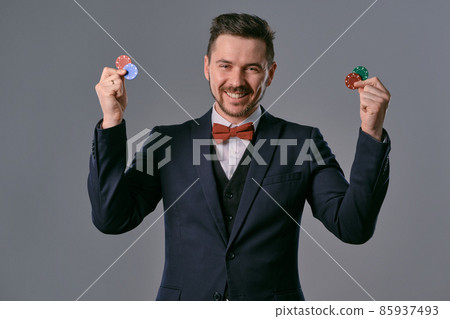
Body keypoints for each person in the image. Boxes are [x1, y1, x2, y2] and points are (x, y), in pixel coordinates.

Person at [88, 13, 391, 301]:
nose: (236, 81)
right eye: (225, 65)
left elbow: (353, 227)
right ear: (207, 67)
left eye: (251, 68)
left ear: (270, 74)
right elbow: (112, 218)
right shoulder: (165, 142)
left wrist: (371, 131)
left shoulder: (304, 142)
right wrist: (112, 121)